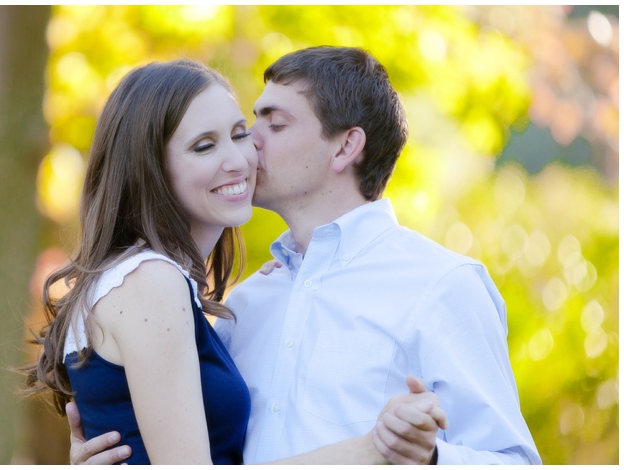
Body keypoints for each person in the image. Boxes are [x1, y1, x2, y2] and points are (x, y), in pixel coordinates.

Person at [69, 46, 540, 465]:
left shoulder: (441, 285)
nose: (250, 143)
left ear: (345, 147)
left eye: (272, 124)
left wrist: (430, 457)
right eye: (246, 125)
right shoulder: (244, 306)